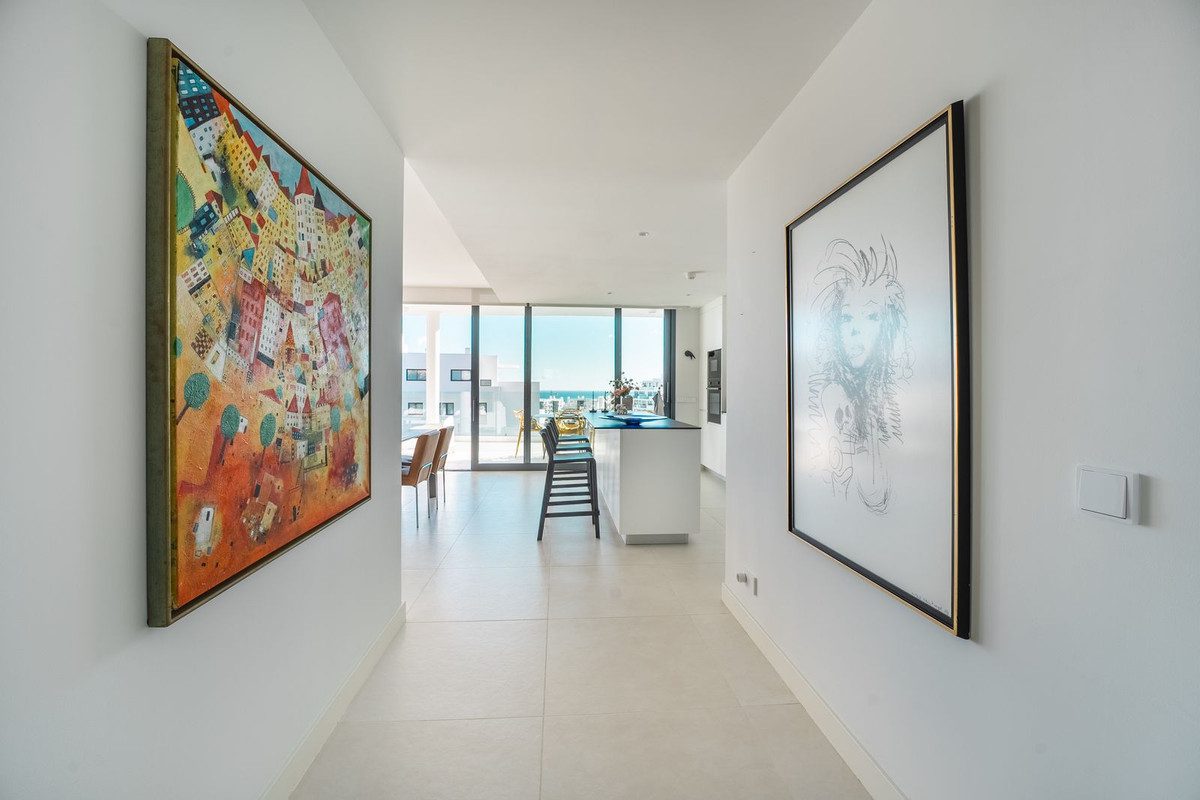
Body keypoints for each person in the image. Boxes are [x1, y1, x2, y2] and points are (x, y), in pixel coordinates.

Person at [807, 238, 912, 514]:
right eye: (847, 318)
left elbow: (875, 489)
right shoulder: (831, 395)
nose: (855, 331)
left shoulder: (896, 396)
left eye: (871, 317)